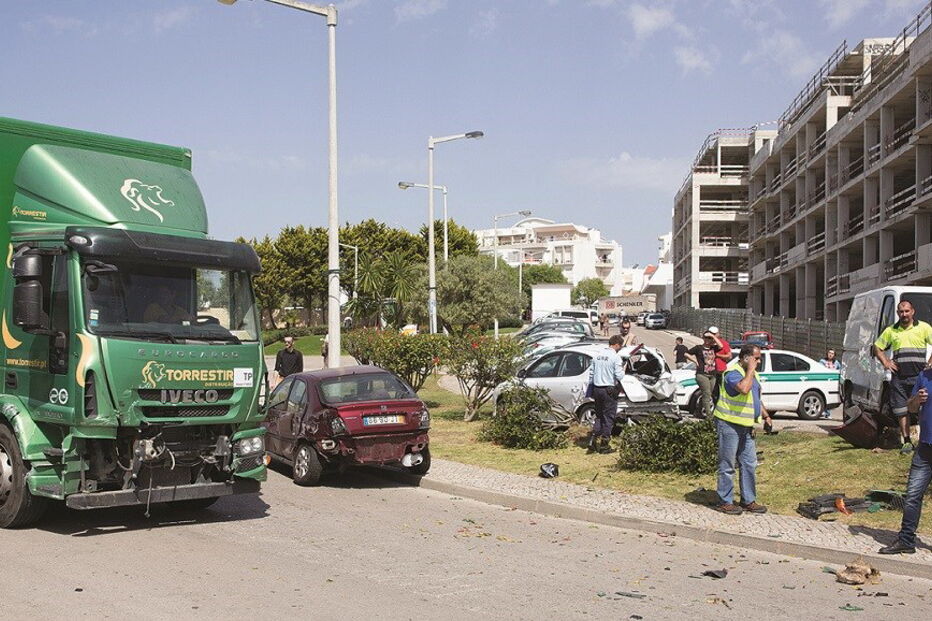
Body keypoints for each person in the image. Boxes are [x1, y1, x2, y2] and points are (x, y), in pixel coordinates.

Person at [713, 343, 772, 515]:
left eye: (759, 359)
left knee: (749, 464)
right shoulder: (733, 373)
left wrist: (766, 416)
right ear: (745, 358)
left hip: (746, 426)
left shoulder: (752, 375)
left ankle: (748, 500)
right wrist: (750, 370)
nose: (758, 362)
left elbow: (755, 399)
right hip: (729, 424)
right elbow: (744, 389)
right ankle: (725, 501)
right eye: (756, 358)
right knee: (728, 464)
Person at [879, 372, 932, 555]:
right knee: (912, 496)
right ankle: (906, 541)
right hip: (925, 449)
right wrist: (917, 398)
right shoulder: (924, 376)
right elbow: (910, 408)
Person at [873, 300, 932, 454]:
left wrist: (930, 363)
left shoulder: (924, 327)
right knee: (901, 410)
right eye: (901, 312)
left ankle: (924, 441)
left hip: (920, 376)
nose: (904, 314)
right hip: (899, 377)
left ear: (912, 311)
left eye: (906, 311)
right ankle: (906, 442)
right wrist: (886, 361)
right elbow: (877, 347)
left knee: (923, 407)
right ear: (898, 313)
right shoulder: (891, 330)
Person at [586, 334, 627, 454]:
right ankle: (604, 445)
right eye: (620, 346)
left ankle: (592, 440)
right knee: (608, 417)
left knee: (599, 415)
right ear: (617, 345)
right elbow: (619, 376)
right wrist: (623, 369)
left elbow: (591, 374)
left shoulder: (597, 355)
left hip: (597, 389)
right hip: (609, 390)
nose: (620, 349)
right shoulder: (615, 357)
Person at [685, 331, 721, 418]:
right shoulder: (698, 348)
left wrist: (713, 336)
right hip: (702, 374)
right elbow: (686, 353)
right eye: (706, 337)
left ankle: (698, 412)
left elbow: (721, 346)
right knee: (707, 393)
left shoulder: (713, 348)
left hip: (712, 374)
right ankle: (709, 415)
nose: (707, 340)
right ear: (703, 338)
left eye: (709, 338)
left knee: (708, 394)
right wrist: (694, 361)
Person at [707, 326, 732, 403]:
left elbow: (729, 356)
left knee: (718, 392)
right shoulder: (708, 344)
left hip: (720, 371)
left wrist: (718, 355)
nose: (712, 335)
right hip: (710, 371)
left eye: (714, 334)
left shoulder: (723, 343)